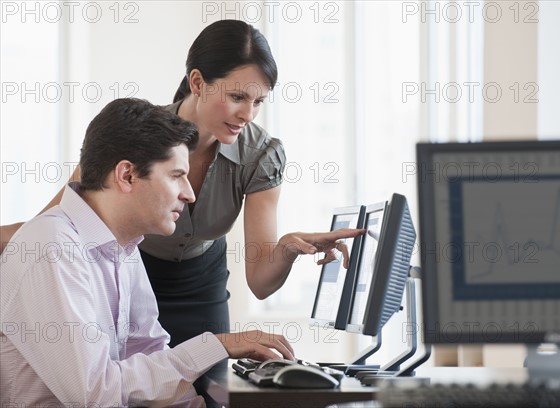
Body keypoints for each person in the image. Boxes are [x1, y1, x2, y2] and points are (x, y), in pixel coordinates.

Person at [0, 20, 363, 346]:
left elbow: (261, 282)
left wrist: (285, 249)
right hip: (129, 275)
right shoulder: (135, 135)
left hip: (202, 285)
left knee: (206, 392)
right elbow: (56, 225)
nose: (247, 115)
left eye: (258, 102)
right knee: (131, 389)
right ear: (197, 82)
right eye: (237, 97)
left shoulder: (260, 154)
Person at [0, 98, 295, 407]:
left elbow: (152, 360)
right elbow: (95, 392)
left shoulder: (122, 247)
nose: (189, 193)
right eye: (176, 175)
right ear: (127, 175)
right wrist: (217, 345)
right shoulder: (52, 247)